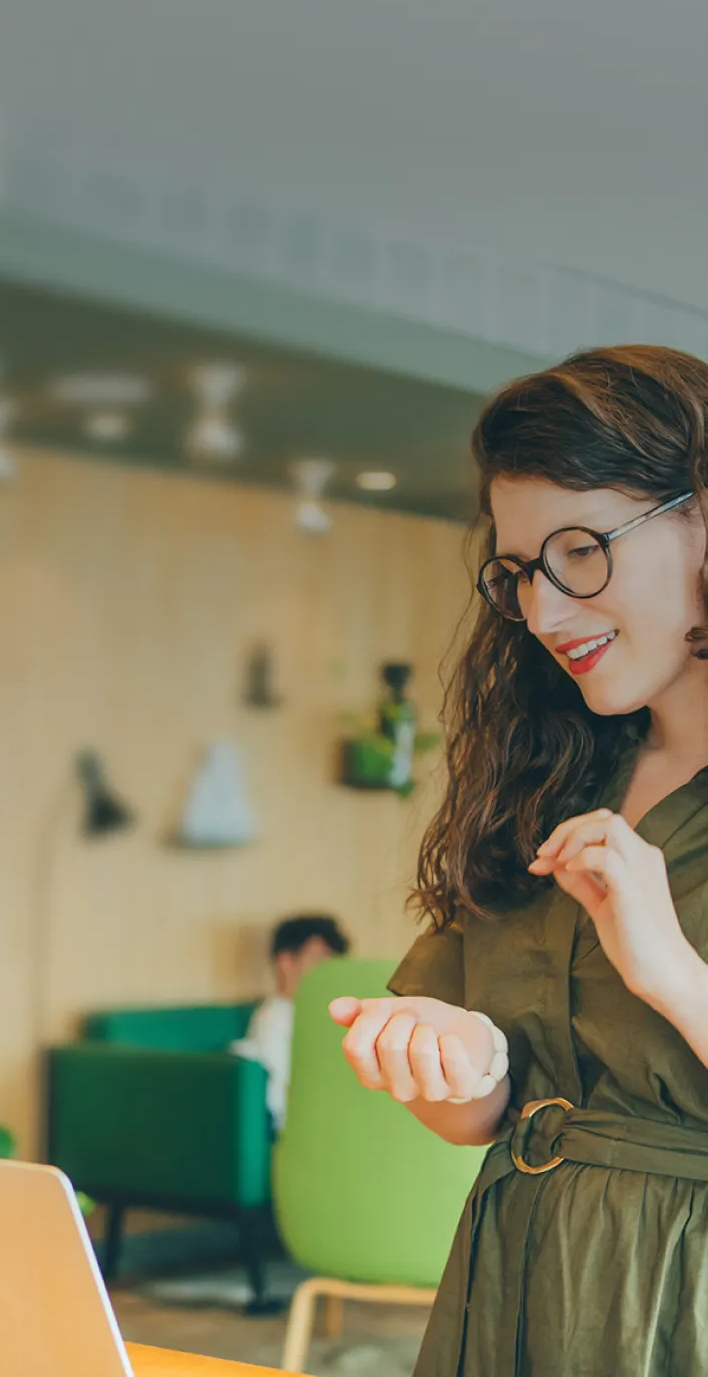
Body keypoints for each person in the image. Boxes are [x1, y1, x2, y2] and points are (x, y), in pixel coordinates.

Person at [330, 344, 708, 1376]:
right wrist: (447, 1056)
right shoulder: (550, 770)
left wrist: (671, 971)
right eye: (520, 573)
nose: (544, 613)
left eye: (581, 551)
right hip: (516, 1272)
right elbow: (479, 1116)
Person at [234, 913, 349, 1131]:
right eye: (320, 962)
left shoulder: (319, 1016)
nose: (328, 974)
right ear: (286, 962)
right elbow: (281, 1105)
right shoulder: (276, 1018)